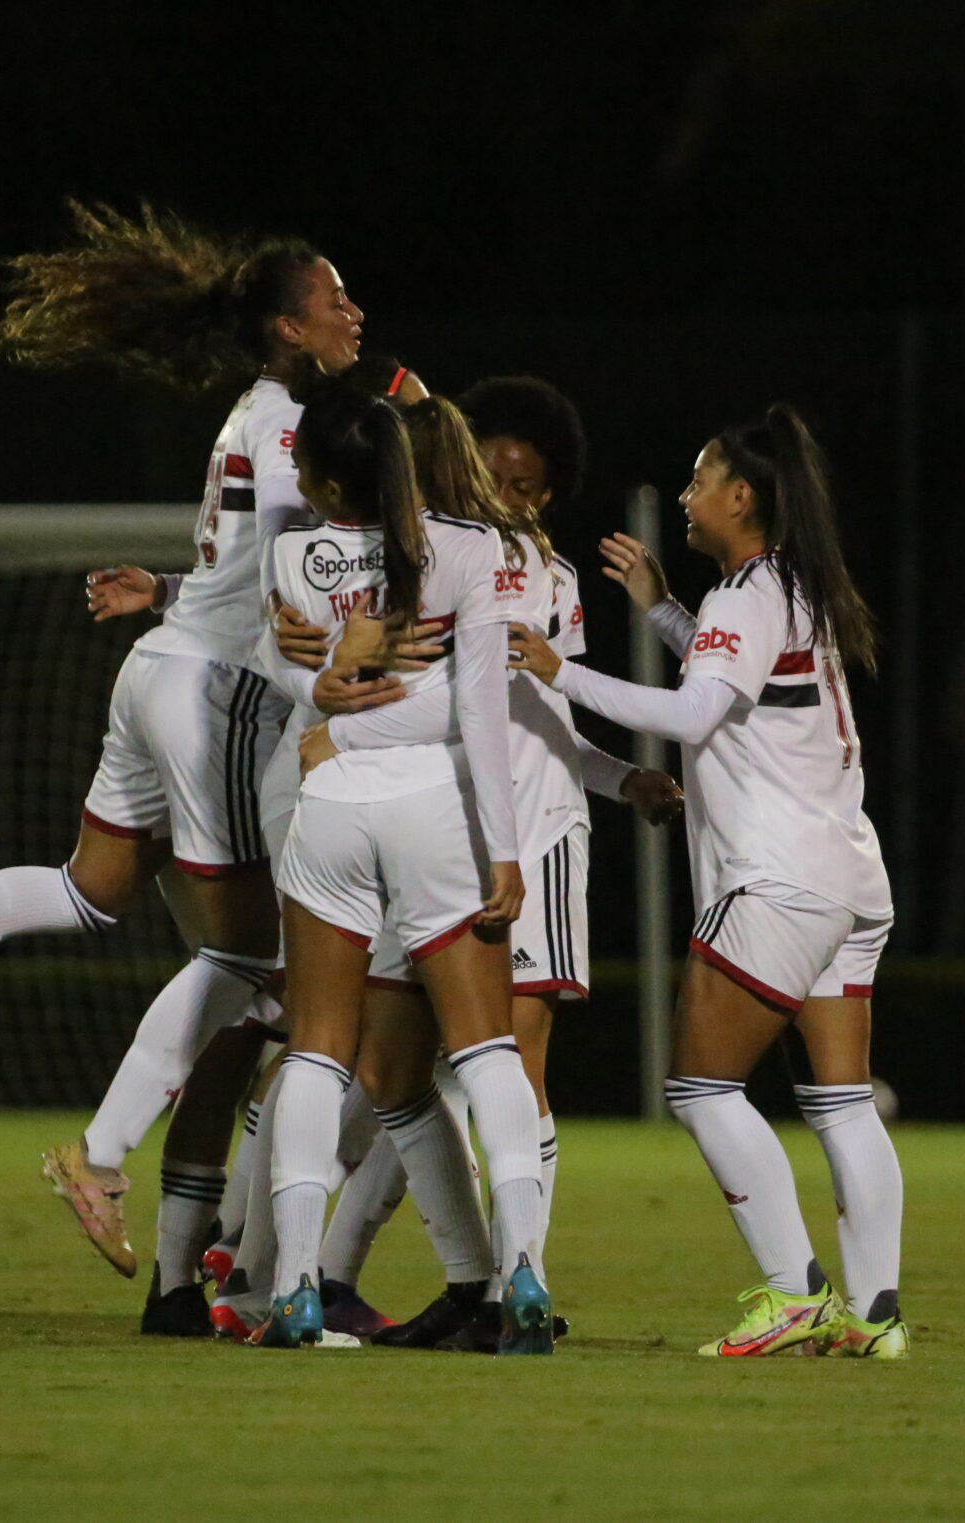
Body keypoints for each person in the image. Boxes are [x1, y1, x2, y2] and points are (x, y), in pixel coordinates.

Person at [0, 202, 404, 1327]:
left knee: (88, 891)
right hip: (218, 696)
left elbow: (242, 573)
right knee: (257, 960)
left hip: (162, 671)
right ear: (284, 326)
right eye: (333, 298)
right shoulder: (287, 434)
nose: (353, 310)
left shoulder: (256, 410)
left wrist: (167, 594)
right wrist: (318, 675)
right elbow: (288, 573)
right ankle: (109, 1158)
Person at [509, 403, 909, 1359]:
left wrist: (558, 670)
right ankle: (876, 1313)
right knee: (843, 1100)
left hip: (776, 880)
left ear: (741, 495)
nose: (686, 496)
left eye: (698, 479)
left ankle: (792, 1292)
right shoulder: (796, 584)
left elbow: (694, 715)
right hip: (849, 873)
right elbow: (733, 687)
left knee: (698, 1088)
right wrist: (655, 604)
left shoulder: (746, 596)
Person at [294, 382, 681, 1346]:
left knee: (506, 1060)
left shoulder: (528, 570)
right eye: (491, 468)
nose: (508, 489)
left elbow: (521, 712)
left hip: (528, 833)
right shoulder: (423, 556)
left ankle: (516, 1288)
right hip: (433, 827)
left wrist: (607, 778)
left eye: (527, 480)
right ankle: (412, 1279)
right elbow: (478, 700)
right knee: (394, 1069)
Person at [253, 389, 557, 1352]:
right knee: (486, 1050)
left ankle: (296, 1286)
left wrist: (321, 693)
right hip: (434, 807)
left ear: (328, 478)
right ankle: (523, 1273)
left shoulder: (292, 555)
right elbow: (480, 708)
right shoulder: (469, 549)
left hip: (332, 801)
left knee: (314, 1050)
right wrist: (504, 852)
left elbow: (295, 670)